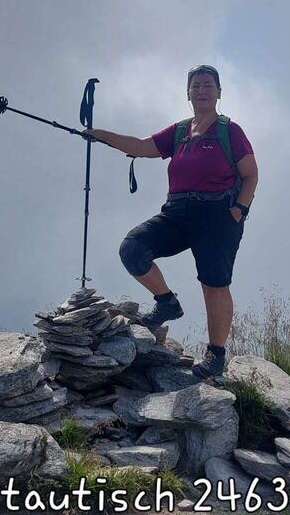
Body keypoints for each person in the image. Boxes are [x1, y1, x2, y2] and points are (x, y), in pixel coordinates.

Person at [85, 65, 258, 378]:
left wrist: (239, 211)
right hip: (177, 211)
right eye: (196, 86)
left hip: (218, 214)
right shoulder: (180, 131)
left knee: (214, 284)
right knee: (133, 248)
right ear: (188, 94)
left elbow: (251, 175)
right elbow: (141, 147)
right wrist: (99, 136)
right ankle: (167, 303)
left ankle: (215, 356)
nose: (202, 91)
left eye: (208, 85)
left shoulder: (229, 131)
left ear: (219, 92)